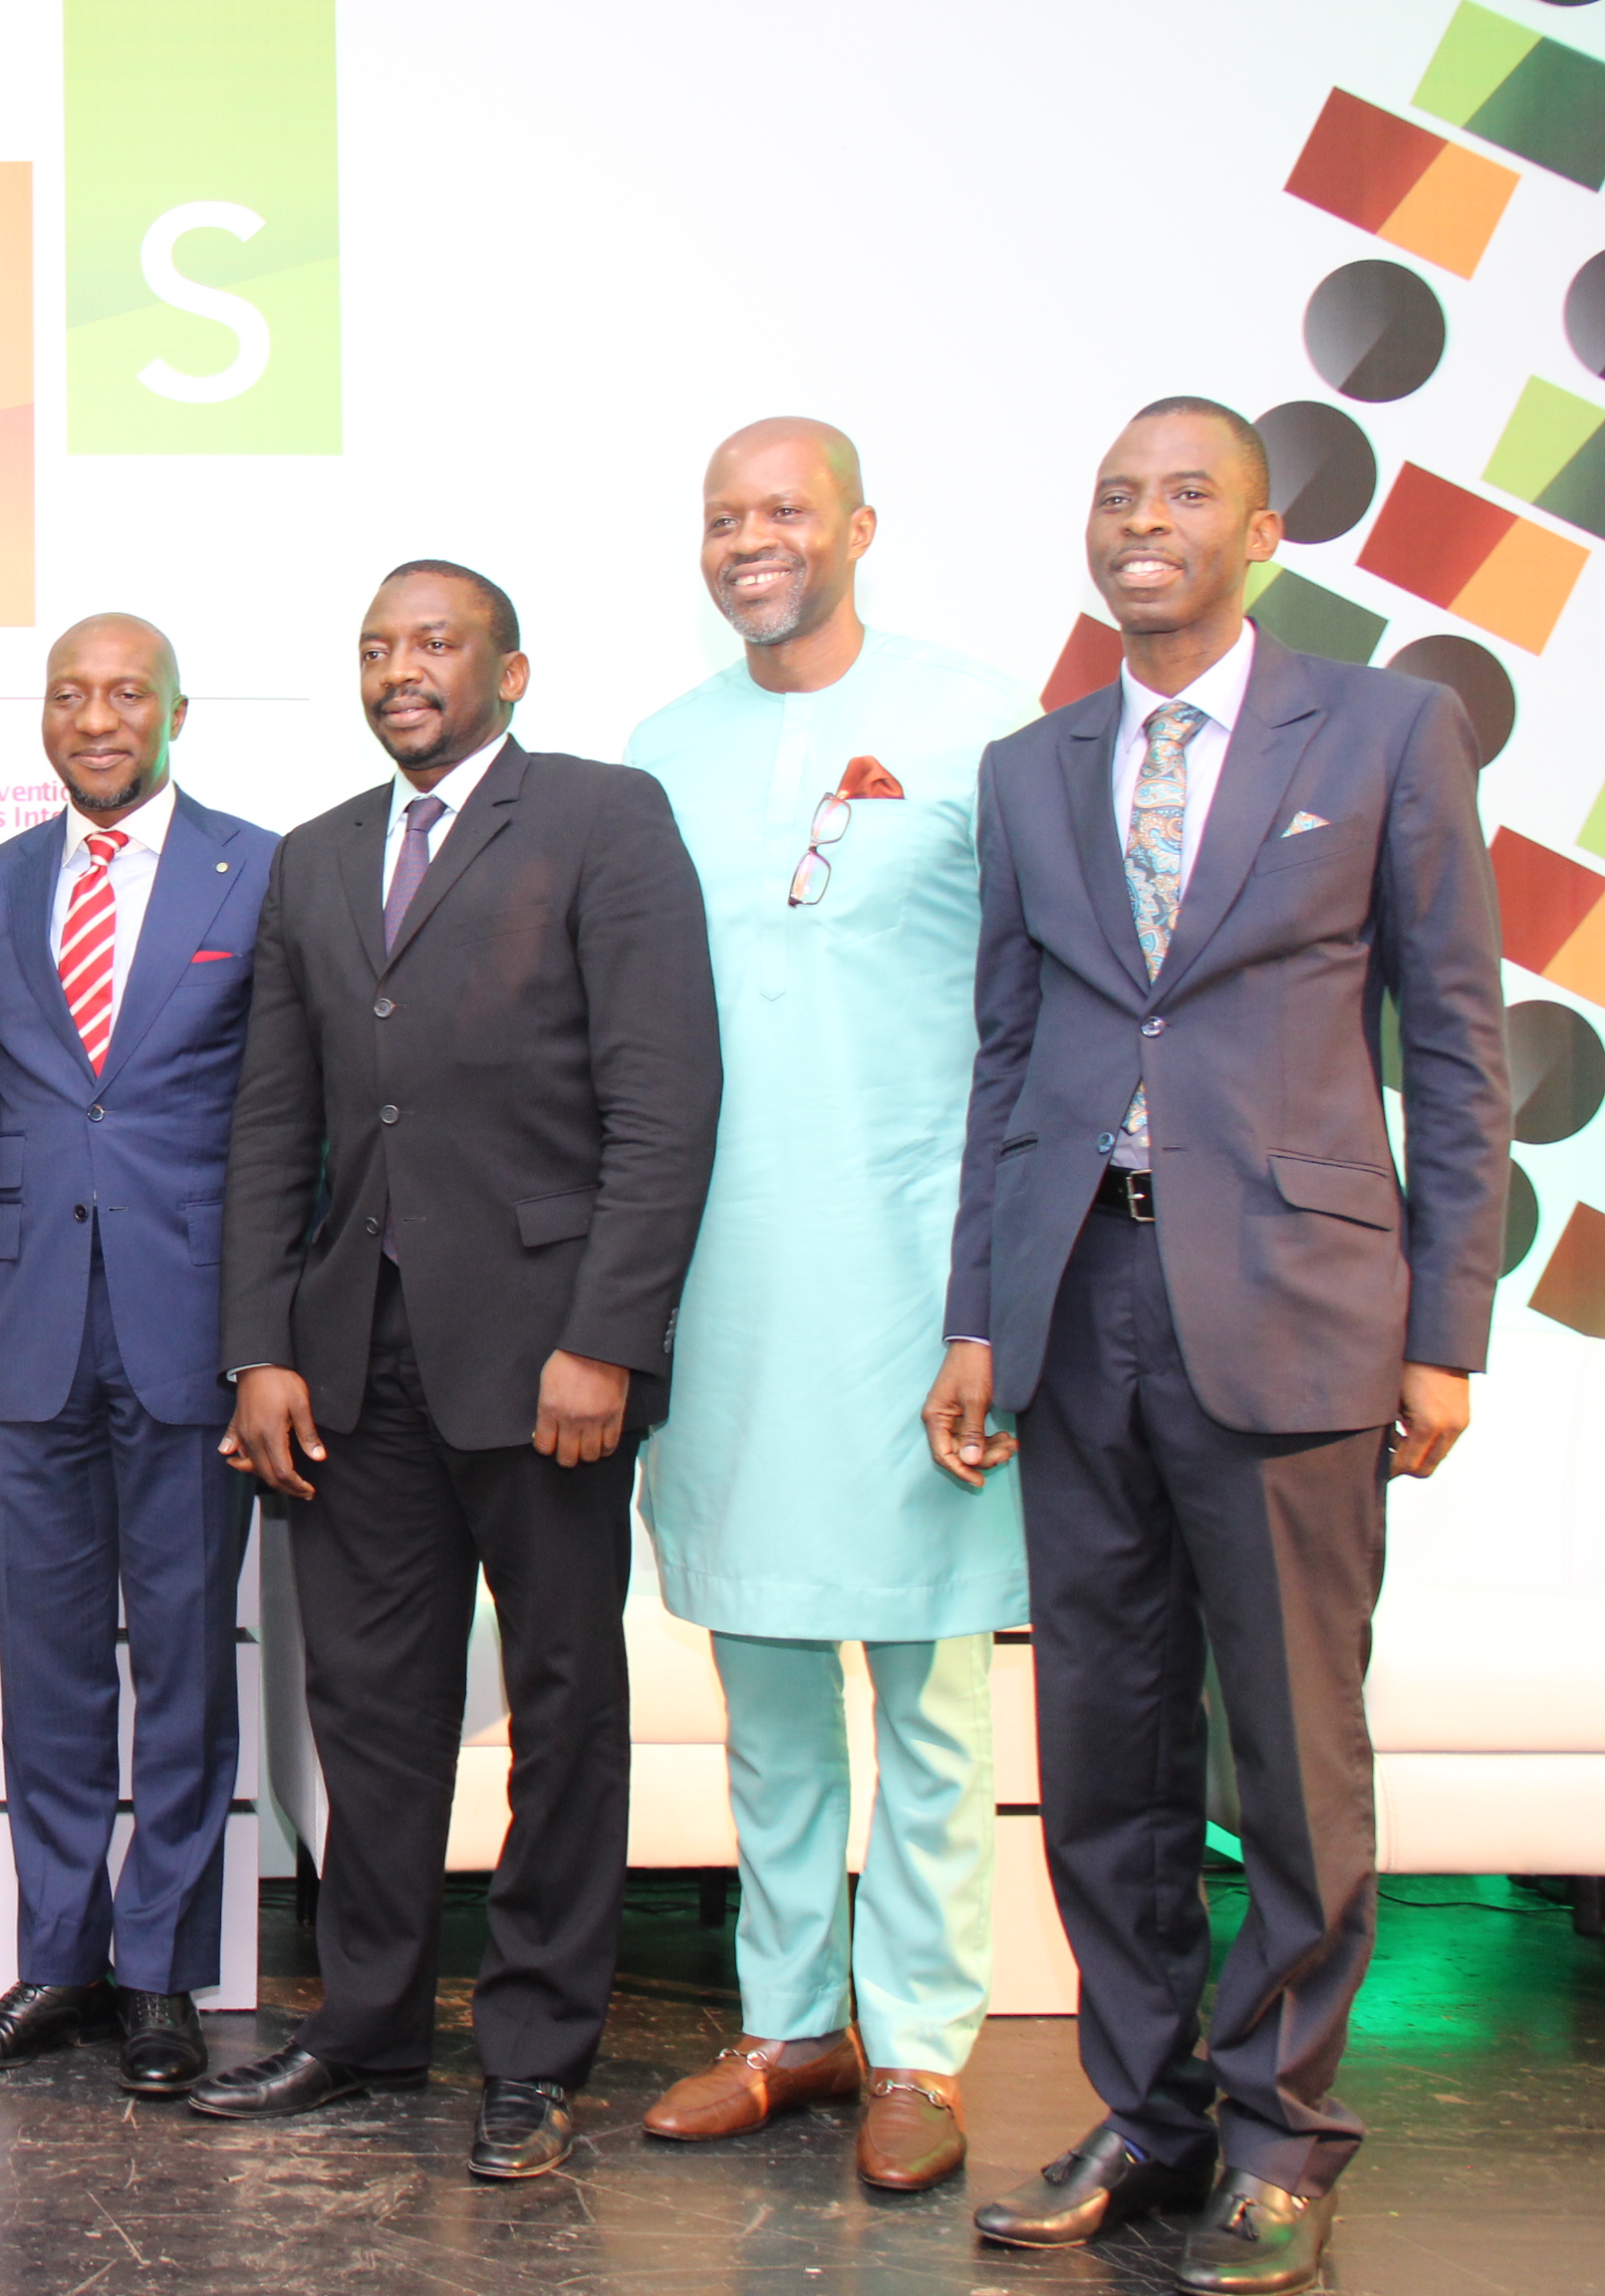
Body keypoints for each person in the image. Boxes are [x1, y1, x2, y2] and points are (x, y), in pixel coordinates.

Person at [929, 401, 1508, 2294]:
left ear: (1261, 533)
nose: (1142, 523)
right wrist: (974, 1318)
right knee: (1101, 1752)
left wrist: (1446, 1329)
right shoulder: (1032, 766)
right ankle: (1145, 2110)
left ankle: (1285, 2137)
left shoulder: (1390, 727)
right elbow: (1006, 1065)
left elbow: (1454, 1041)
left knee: (1289, 1756)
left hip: (1301, 1318)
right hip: (1080, 1310)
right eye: (1113, 495)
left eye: (1184, 494)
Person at [203, 562, 719, 2176]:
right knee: (367, 1709)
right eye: (376, 647)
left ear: (510, 669)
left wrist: (609, 1337)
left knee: (565, 1706)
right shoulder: (315, 857)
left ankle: (536, 2048)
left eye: (434, 645)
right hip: (355, 1363)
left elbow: (666, 1099)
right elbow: (273, 1129)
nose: (400, 670)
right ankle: (364, 2026)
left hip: (548, 1361)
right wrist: (261, 1349)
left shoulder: (604, 817)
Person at [624, 420, 1031, 2190]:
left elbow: (1035, 1022)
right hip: (723, 1279)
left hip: (919, 1271)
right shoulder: (661, 750)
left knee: (929, 1688)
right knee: (767, 1672)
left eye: (784, 511)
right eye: (724, 518)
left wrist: (997, 1297)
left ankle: (925, 2051)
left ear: (861, 526)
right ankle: (792, 2026)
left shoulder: (977, 724)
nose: (750, 542)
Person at [0, 614, 271, 2097]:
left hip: (194, 1334)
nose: (99, 716)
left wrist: (269, 1345)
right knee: (49, 1668)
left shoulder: (266, 873)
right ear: (43, 718)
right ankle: (56, 1958)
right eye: (72, 694)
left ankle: (163, 1973)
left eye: (128, 693)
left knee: (185, 1664)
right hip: (21, 1329)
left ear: (180, 709)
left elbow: (288, 1124)